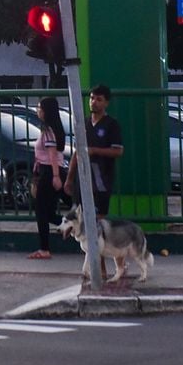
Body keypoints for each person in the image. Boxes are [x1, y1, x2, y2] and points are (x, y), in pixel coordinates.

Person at [64, 84, 123, 218]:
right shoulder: (83, 123)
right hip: (83, 178)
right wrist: (69, 178)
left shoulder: (111, 124)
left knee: (98, 218)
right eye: (92, 98)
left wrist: (94, 151)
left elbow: (118, 151)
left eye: (98, 99)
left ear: (106, 103)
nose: (94, 102)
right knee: (79, 216)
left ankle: (98, 239)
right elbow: (77, 152)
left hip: (101, 178)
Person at [28, 96, 66, 260]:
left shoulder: (48, 130)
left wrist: (56, 176)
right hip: (47, 171)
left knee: (41, 211)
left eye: (40, 108)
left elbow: (52, 155)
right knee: (48, 212)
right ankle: (72, 226)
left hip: (49, 172)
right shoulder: (53, 128)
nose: (38, 111)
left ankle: (44, 248)